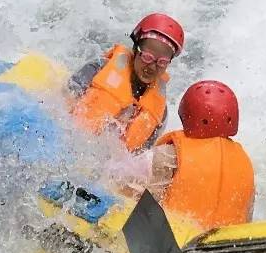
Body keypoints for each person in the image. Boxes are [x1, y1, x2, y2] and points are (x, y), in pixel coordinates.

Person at [147, 80, 255, 230]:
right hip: (227, 247)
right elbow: (247, 217)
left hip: (176, 241)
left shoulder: (169, 153)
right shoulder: (245, 162)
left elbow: (148, 208)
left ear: (186, 115)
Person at [69, 13, 184, 152]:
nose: (152, 67)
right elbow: (66, 100)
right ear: (135, 50)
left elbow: (141, 154)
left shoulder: (160, 114)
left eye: (162, 62)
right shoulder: (98, 69)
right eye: (147, 57)